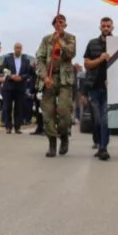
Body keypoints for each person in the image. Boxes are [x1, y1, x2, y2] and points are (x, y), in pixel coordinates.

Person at [35, 14, 76, 157]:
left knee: (64, 112)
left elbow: (71, 53)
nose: (59, 25)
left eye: (62, 22)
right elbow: (40, 59)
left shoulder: (70, 38)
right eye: (57, 23)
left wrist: (60, 41)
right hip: (49, 78)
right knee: (48, 113)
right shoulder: (46, 40)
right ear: (53, 25)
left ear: (65, 25)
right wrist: (44, 76)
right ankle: (52, 142)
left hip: (64, 79)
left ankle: (64, 136)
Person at [83, 17, 112, 160]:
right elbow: (87, 64)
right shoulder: (92, 43)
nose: (106, 28)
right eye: (103, 26)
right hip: (94, 87)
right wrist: (100, 59)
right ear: (100, 27)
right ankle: (99, 142)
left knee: (105, 120)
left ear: (112, 28)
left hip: (110, 89)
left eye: (108, 26)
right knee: (97, 120)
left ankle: (103, 148)